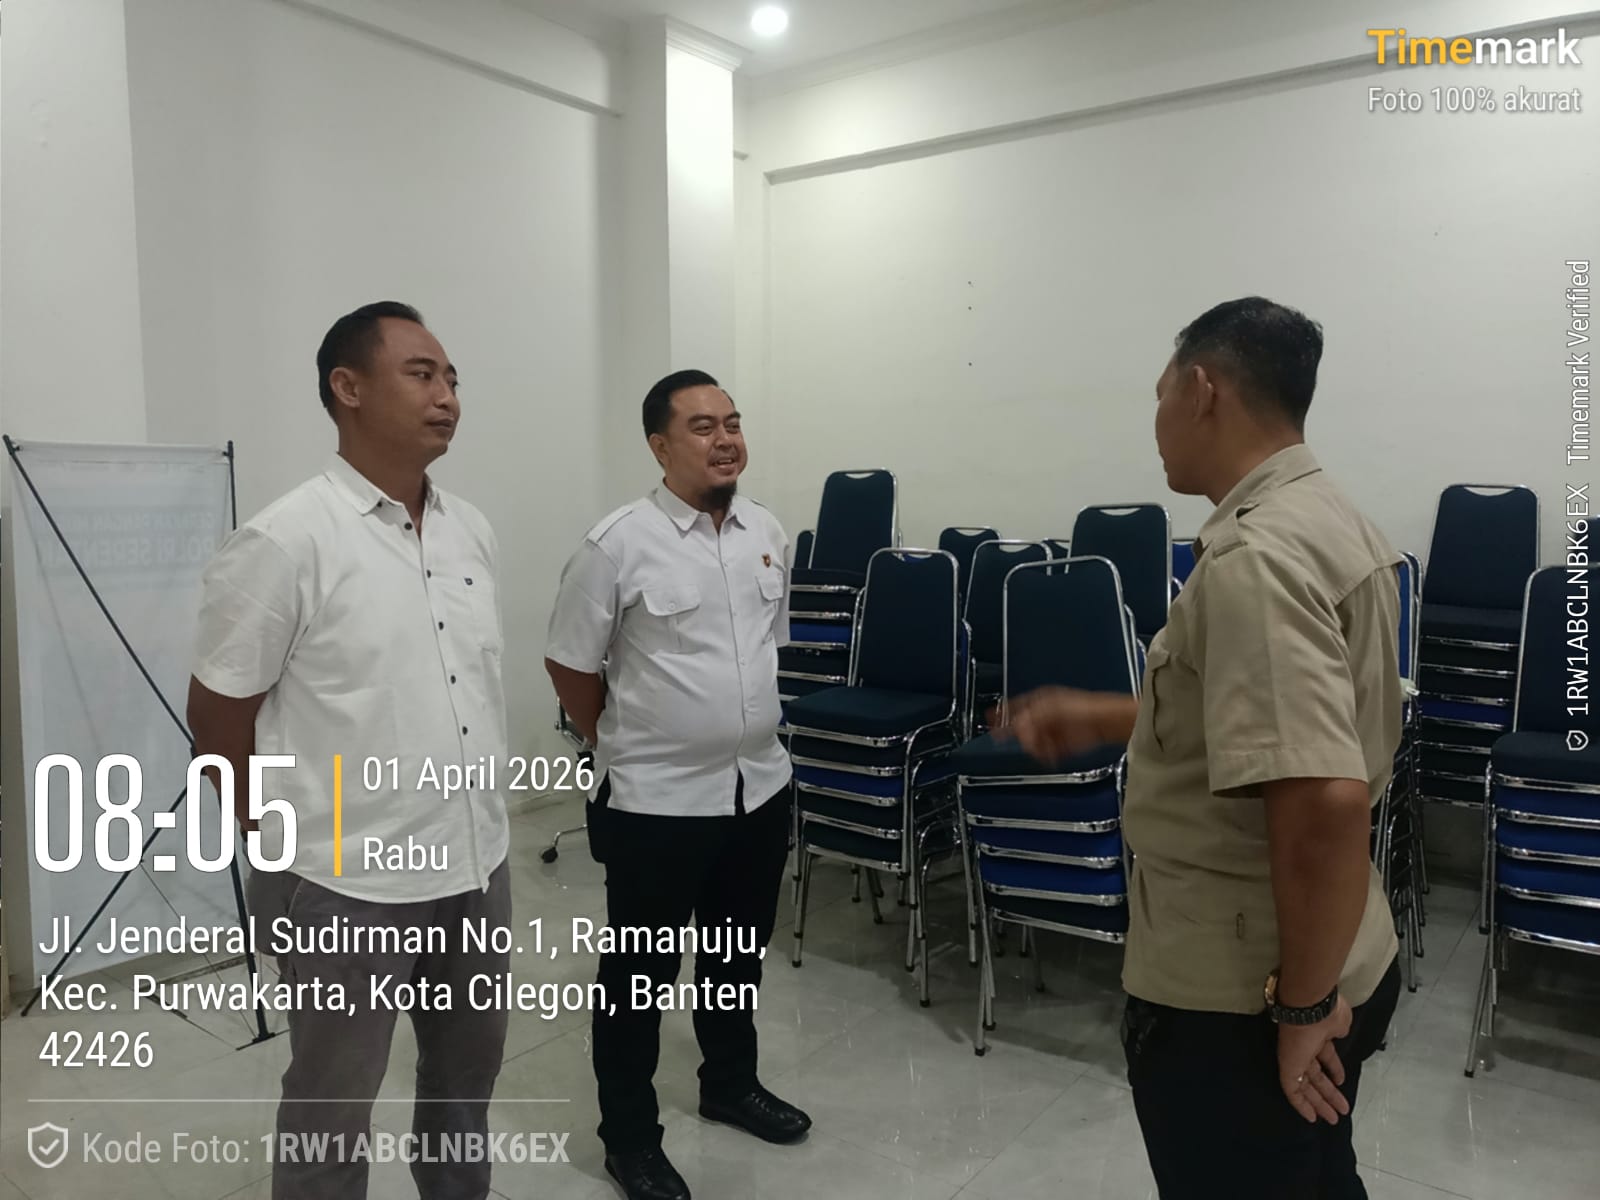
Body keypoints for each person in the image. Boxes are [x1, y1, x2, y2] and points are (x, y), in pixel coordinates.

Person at [999, 298, 1403, 1198]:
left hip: (1244, 986)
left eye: (1158, 398)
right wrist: (1105, 714)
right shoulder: (1330, 516)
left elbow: (1322, 798)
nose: (1155, 426)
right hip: (1338, 942)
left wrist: (1299, 1007)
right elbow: (1268, 714)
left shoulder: (1257, 556)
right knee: (1312, 1177)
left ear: (1201, 390)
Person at [188, 301, 512, 1200]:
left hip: (475, 864)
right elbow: (218, 712)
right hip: (347, 880)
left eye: (453, 379)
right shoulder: (285, 541)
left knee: (465, 1084)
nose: (447, 396)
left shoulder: (470, 530)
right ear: (348, 387)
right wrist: (270, 837)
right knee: (331, 1105)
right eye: (422, 374)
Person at [545, 369, 809, 1200]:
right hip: (657, 803)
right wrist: (623, 741)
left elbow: (767, 645)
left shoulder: (767, 530)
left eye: (732, 422)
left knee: (736, 957)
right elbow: (569, 663)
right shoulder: (617, 544)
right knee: (639, 979)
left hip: (758, 788)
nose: (725, 439)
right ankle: (629, 1137)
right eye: (702, 426)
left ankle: (729, 1083)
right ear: (660, 446)